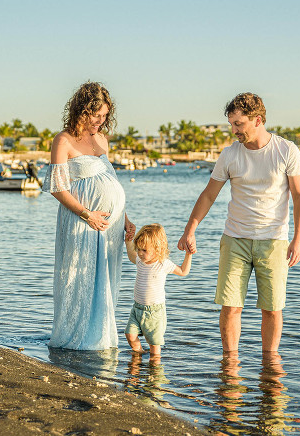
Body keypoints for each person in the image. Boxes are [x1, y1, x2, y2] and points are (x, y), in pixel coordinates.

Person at [177, 92, 300, 355]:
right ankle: (230, 362)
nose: (234, 130)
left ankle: (269, 364)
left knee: (272, 308)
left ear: (258, 120)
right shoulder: (229, 155)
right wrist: (191, 228)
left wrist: (298, 239)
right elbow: (209, 194)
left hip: (273, 241)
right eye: (232, 124)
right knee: (230, 306)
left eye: (239, 124)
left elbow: (299, 196)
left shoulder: (286, 150)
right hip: (235, 239)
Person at [41, 81, 136, 350]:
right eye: (96, 116)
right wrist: (87, 214)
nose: (101, 121)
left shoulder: (102, 139)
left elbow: (110, 179)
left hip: (110, 224)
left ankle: (99, 337)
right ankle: (75, 340)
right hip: (81, 222)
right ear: (82, 111)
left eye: (105, 116)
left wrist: (125, 218)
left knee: (105, 279)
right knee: (78, 276)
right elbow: (57, 187)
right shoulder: (64, 140)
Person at [125, 224, 192, 356]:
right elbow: (131, 256)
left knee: (154, 345)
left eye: (144, 250)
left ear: (157, 248)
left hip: (154, 312)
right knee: (130, 335)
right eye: (138, 249)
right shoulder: (140, 260)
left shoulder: (163, 264)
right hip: (137, 309)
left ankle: (154, 371)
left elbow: (183, 271)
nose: (139, 253)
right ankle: (138, 356)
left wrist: (188, 254)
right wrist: (128, 242)